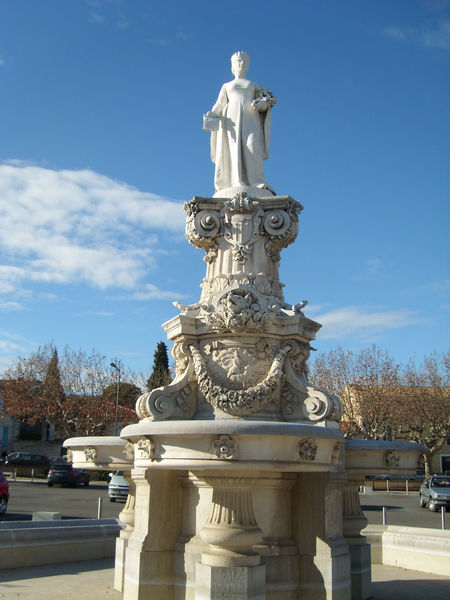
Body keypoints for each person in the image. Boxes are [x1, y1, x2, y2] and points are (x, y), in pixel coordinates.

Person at [204, 51, 276, 195]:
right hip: (231, 120)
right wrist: (211, 116)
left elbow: (265, 104)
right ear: (232, 66)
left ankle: (257, 182)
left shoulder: (253, 85)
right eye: (238, 62)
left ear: (248, 66)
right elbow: (219, 105)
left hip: (251, 119)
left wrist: (262, 104)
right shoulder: (227, 86)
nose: (241, 64)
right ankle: (237, 181)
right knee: (233, 148)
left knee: (252, 146)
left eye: (244, 62)